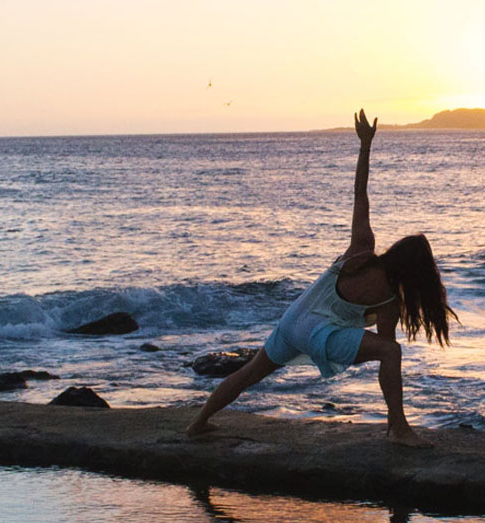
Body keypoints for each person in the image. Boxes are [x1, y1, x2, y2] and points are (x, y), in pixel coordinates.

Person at [186, 109, 458, 447]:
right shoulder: (390, 301)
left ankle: (197, 424)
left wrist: (365, 146)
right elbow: (385, 354)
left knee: (249, 374)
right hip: (314, 332)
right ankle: (398, 430)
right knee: (391, 353)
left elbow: (361, 194)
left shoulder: (361, 252)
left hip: (292, 321)